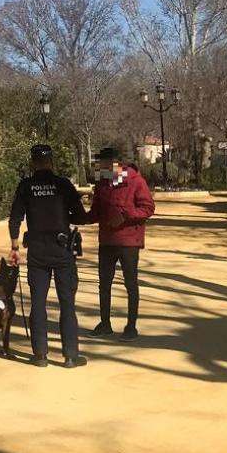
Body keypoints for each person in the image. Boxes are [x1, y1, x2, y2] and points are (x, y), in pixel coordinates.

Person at [7, 144, 89, 368]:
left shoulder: (26, 186)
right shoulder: (62, 185)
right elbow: (81, 217)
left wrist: (15, 247)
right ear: (51, 161)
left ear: (33, 162)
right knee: (67, 304)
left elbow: (15, 218)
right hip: (62, 251)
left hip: (37, 253)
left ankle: (40, 355)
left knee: (38, 303)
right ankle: (70, 356)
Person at [82, 147, 155, 342]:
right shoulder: (102, 185)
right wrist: (76, 217)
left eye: (104, 166)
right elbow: (95, 213)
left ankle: (131, 326)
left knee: (131, 283)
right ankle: (105, 324)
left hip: (129, 242)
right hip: (106, 242)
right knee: (104, 284)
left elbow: (148, 207)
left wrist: (126, 216)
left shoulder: (135, 181)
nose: (101, 170)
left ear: (116, 164)